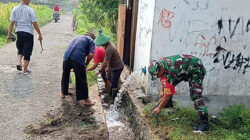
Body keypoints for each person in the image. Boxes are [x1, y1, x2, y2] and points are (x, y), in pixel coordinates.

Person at [148, 54, 209, 132]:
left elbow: (167, 95)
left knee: (195, 95)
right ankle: (168, 104)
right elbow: (164, 81)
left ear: (161, 70)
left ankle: (205, 123)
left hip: (196, 69)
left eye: (157, 75)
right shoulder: (160, 64)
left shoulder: (171, 72)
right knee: (169, 86)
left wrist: (159, 108)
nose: (157, 77)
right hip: (184, 69)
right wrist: (161, 91)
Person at [7, 0, 43, 74]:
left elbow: (11, 23)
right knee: (27, 51)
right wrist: (40, 34)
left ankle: (19, 63)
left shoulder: (14, 9)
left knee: (20, 48)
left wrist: (9, 34)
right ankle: (25, 70)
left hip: (19, 32)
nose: (29, 1)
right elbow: (35, 24)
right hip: (28, 33)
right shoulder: (30, 10)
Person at [60, 32, 96, 106]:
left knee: (65, 74)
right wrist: (86, 64)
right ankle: (86, 100)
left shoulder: (77, 37)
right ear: (92, 37)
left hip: (66, 56)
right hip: (77, 58)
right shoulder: (91, 41)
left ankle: (63, 93)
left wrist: (74, 65)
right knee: (81, 79)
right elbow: (90, 55)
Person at [95, 30, 124, 100]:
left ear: (104, 43)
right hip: (113, 66)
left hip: (117, 67)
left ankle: (114, 99)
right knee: (110, 79)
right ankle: (111, 93)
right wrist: (108, 68)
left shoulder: (109, 49)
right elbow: (108, 60)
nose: (101, 46)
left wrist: (100, 70)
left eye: (101, 44)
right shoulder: (109, 46)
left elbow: (105, 62)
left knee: (114, 82)